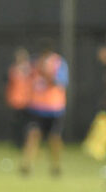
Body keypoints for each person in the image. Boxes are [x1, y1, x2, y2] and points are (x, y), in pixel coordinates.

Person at [20, 42, 69, 176]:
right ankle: (26, 165)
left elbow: (61, 83)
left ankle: (56, 166)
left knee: (54, 138)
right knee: (32, 135)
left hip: (54, 108)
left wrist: (47, 73)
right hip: (37, 107)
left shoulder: (59, 63)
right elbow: (24, 76)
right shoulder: (34, 64)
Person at [6, 47, 32, 147]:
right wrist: (9, 98)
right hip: (16, 100)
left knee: (27, 124)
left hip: (28, 101)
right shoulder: (13, 70)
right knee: (16, 123)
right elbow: (9, 86)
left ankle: (26, 143)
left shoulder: (30, 70)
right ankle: (17, 143)